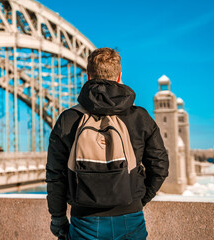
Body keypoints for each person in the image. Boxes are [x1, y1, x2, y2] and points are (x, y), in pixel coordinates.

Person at [46, 47, 169, 240]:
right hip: (131, 219)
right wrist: (137, 200)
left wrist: (58, 218)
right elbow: (160, 167)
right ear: (119, 76)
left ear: (88, 76)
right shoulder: (140, 117)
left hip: (85, 222)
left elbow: (55, 176)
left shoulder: (68, 119)